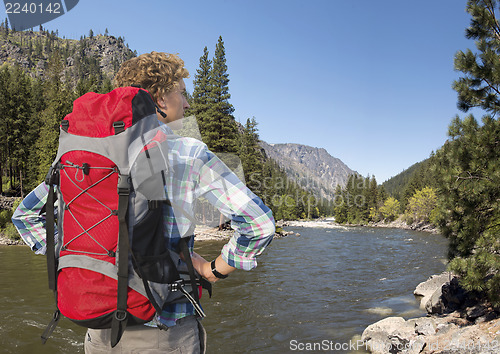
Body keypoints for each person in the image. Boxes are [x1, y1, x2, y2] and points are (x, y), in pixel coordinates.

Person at [12, 52, 275, 353]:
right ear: (161, 98)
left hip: (98, 332)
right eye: (182, 93)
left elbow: (26, 216)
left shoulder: (86, 156)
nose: (187, 103)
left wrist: (78, 257)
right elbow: (259, 223)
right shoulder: (186, 153)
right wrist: (214, 269)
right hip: (165, 334)